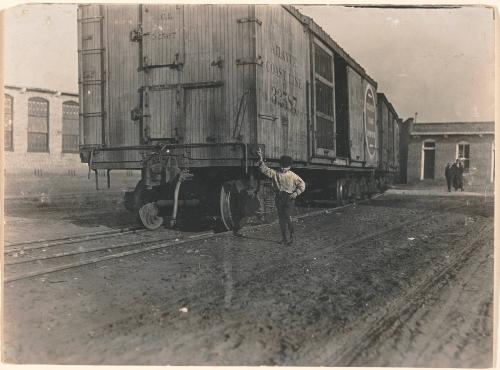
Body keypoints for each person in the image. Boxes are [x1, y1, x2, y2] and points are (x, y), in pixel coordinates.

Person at [255, 147, 306, 245]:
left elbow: (302, 185)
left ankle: (292, 237)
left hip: (289, 198)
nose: (283, 168)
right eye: (282, 166)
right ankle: (284, 238)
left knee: (287, 216)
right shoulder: (275, 174)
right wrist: (260, 158)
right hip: (279, 198)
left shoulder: (293, 176)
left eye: (286, 166)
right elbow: (264, 169)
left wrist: (296, 193)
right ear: (280, 164)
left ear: (290, 167)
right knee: (281, 219)